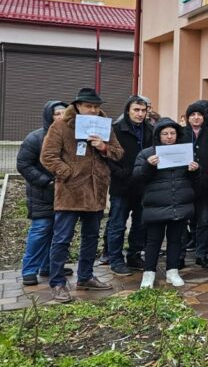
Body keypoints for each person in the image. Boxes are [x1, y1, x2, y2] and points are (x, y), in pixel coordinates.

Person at [40, 88, 125, 302]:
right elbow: (48, 156)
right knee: (62, 239)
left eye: (96, 106)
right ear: (78, 106)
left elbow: (118, 153)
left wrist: (103, 147)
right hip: (70, 192)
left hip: (96, 192)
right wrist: (68, 173)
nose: (93, 110)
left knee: (91, 237)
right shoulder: (61, 126)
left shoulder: (104, 126)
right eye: (89, 106)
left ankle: (86, 277)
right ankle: (57, 282)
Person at [133, 118, 199, 288]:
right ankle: (149, 274)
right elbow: (137, 177)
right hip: (156, 205)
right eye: (165, 134)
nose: (169, 137)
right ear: (158, 135)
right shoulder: (147, 154)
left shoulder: (185, 152)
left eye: (172, 133)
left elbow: (194, 179)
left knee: (176, 240)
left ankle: (173, 271)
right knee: (153, 241)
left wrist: (194, 170)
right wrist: (148, 165)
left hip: (179, 203)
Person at [17, 100, 69, 286]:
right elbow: (23, 165)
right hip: (42, 195)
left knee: (58, 233)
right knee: (40, 231)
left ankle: (49, 267)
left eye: (64, 113)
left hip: (64, 194)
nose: (61, 117)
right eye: (57, 114)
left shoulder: (70, 137)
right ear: (49, 116)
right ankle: (29, 270)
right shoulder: (35, 138)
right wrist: (46, 181)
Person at [104, 95, 153, 275]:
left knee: (140, 224)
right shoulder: (116, 129)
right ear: (128, 111)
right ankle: (115, 259)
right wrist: (120, 173)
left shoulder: (150, 130)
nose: (140, 114)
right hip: (122, 186)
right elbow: (108, 156)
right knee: (117, 224)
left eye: (143, 110)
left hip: (143, 186)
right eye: (136, 110)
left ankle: (134, 255)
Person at [181, 100, 208, 269]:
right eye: (193, 115)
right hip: (184, 184)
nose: (196, 117)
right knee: (182, 221)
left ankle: (202, 254)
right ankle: (180, 255)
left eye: (199, 114)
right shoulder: (181, 133)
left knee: (204, 221)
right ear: (188, 117)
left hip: (205, 185)